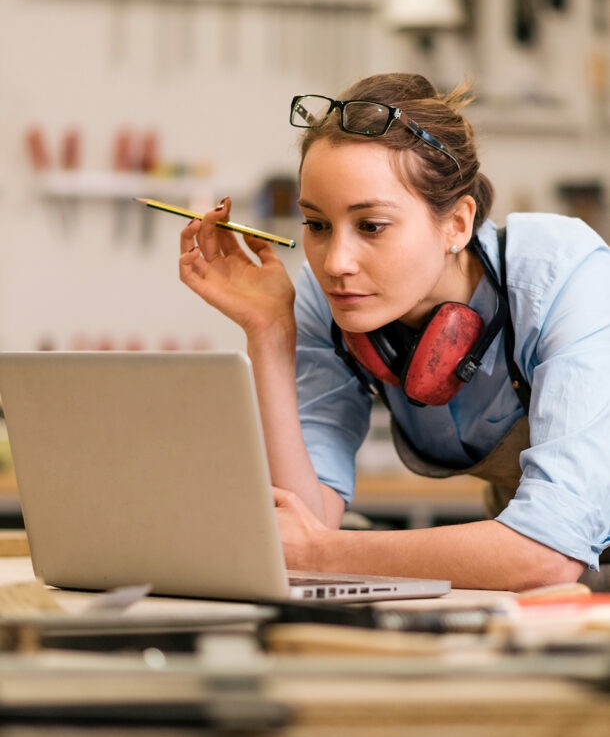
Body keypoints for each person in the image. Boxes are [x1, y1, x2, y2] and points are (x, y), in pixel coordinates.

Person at [179, 72, 610, 592]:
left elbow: (547, 552)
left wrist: (325, 553)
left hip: (556, 565)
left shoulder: (563, 275)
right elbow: (303, 520)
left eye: (371, 226)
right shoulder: (334, 302)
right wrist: (270, 333)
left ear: (456, 224)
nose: (336, 263)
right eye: (317, 225)